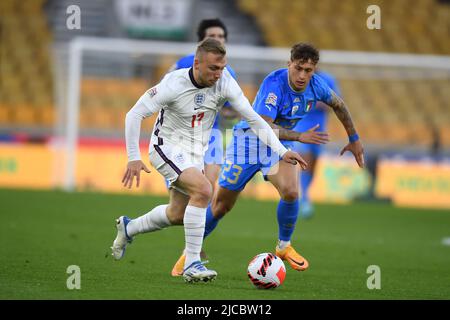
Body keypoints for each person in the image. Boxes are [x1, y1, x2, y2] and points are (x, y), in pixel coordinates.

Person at [111, 38, 307, 283]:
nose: (219, 73)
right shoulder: (173, 84)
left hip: (195, 153)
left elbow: (255, 119)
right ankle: (193, 263)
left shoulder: (225, 82)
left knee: (177, 215)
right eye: (214, 68)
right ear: (197, 64)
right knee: (204, 190)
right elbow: (134, 114)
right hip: (166, 147)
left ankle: (129, 228)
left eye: (222, 67)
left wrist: (281, 151)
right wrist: (132, 157)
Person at [171, 43, 365, 276]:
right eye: (299, 68)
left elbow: (339, 105)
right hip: (249, 143)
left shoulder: (317, 86)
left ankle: (284, 246)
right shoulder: (274, 84)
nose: (303, 75)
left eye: (309, 70)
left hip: (279, 147)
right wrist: (299, 136)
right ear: (289, 64)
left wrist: (354, 138)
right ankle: (189, 254)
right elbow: (263, 126)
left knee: (292, 192)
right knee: (221, 205)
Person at [169, 18, 237, 190]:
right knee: (183, 198)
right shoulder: (184, 64)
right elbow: (164, 93)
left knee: (209, 185)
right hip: (181, 134)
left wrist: (233, 113)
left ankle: (200, 217)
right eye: (212, 35)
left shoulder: (228, 73)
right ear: (201, 41)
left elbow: (229, 110)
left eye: (221, 36)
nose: (217, 39)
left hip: (211, 134)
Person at [292, 69, 342, 219]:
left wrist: (323, 103)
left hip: (320, 129)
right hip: (301, 127)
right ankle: (304, 199)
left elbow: (335, 104)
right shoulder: (299, 78)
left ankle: (305, 195)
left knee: (313, 166)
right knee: (305, 161)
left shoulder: (328, 79)